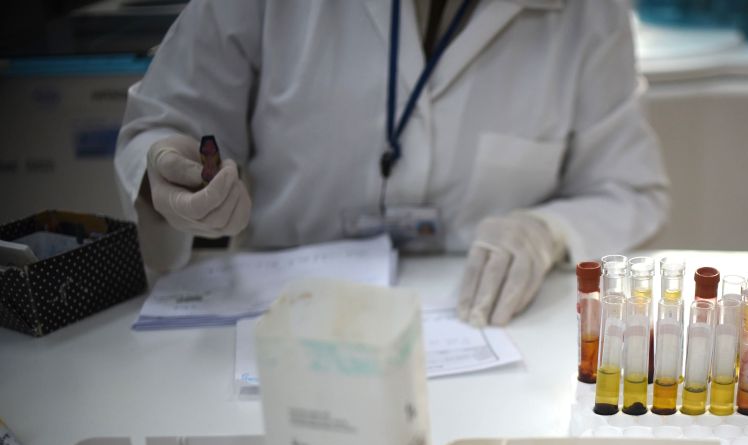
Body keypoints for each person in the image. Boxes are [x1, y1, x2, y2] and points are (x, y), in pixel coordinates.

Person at [114, 0, 670, 326]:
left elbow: (628, 188)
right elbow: (169, 122)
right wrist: (166, 169)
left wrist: (546, 231)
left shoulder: (587, 14)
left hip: (491, 330)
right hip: (284, 318)